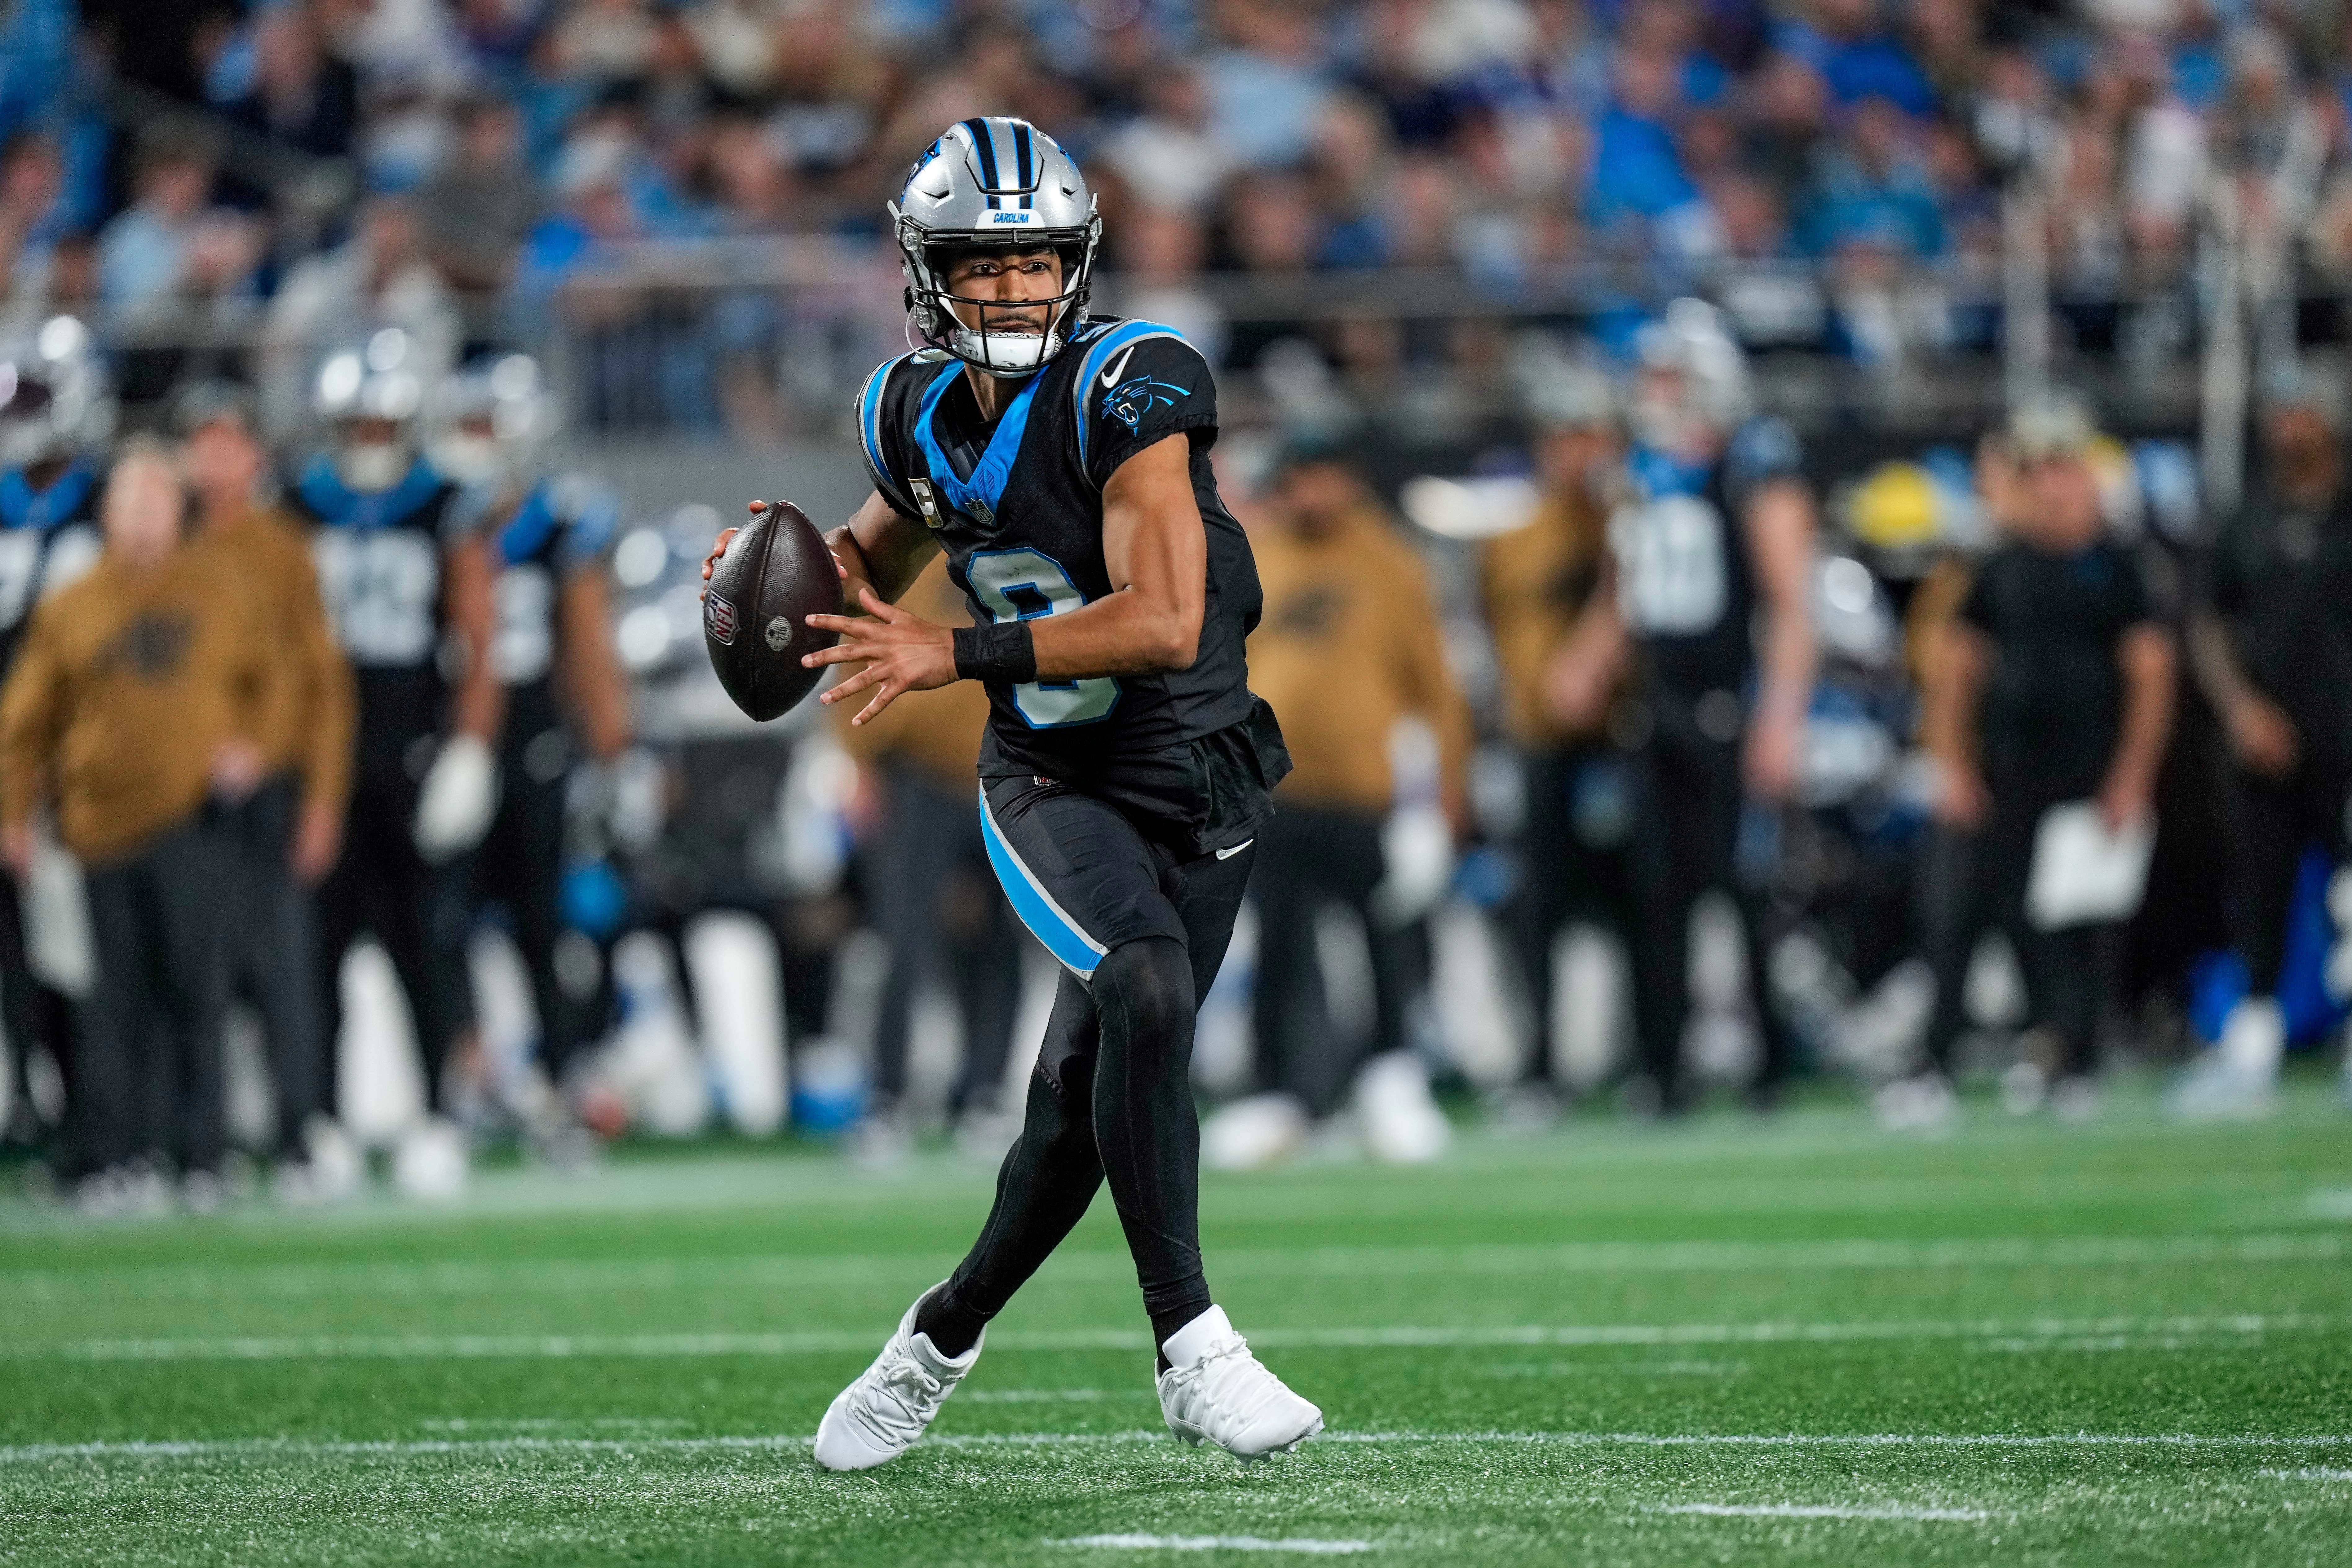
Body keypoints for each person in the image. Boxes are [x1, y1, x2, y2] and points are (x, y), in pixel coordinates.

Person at [700, 117, 1319, 1469]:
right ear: (930, 272)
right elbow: (856, 586)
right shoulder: (910, 411)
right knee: (1144, 987)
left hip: (1200, 770)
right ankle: (1193, 1346)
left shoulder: (1133, 386)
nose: (1012, 289)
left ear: (1077, 263)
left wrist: (950, 647)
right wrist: (769, 579)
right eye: (983, 263)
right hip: (1051, 775)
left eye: (1036, 260)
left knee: (1072, 1115)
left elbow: (1161, 618)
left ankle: (938, 1332)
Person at [0, 441, 277, 1208]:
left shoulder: (220, 592)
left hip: (192, 820)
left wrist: (252, 747)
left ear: (177, 510)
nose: (143, 515)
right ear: (108, 513)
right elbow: (23, 721)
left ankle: (201, 1155)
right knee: (108, 1006)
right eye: (130, 501)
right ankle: (117, 1156)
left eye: (156, 500)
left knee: (196, 991)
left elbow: (274, 686)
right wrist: (14, 812)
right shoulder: (71, 602)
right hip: (94, 826)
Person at [1560, 301, 1819, 1113]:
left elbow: (1790, 601)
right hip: (1652, 706)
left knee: (1741, 891)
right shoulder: (1638, 472)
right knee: (1656, 891)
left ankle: (1770, 1060)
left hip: (1725, 703)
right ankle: (1663, 1065)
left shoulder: (1752, 463)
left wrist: (1779, 715)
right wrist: (1582, 661)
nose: (1651, 390)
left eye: (1667, 374)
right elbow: (1621, 593)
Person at [1914, 394, 2175, 1118]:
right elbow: (1956, 667)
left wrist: (2131, 774)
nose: (2049, 486)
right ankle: (1941, 1056)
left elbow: (2149, 673)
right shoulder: (2001, 567)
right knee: (1972, 910)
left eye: (2060, 468)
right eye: (2037, 470)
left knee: (2077, 922)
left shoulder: (2116, 566)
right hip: (2007, 766)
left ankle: (2075, 1056)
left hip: (2087, 768)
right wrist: (1953, 763)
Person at [285, 334, 502, 1195]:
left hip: (411, 744)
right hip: (324, 752)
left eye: (383, 421)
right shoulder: (299, 504)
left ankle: (438, 1114)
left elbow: (477, 636)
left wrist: (470, 747)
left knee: (425, 941)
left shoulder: (442, 503)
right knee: (320, 946)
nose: (371, 436)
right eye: (358, 422)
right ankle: (322, 1119)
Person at [1240, 435, 1468, 1126]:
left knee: (1386, 942)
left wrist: (1446, 792)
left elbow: (1433, 683)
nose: (1314, 491)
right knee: (1276, 945)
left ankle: (1392, 1075)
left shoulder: (1389, 563)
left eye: (1326, 475)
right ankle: (1277, 1091)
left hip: (1366, 789)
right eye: (1303, 476)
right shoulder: (1257, 554)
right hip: (1273, 789)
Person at [433, 354, 630, 1145]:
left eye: (481, 424)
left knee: (542, 924)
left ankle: (558, 1080)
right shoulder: (445, 516)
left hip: (537, 738)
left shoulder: (559, 520)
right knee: (446, 918)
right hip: (454, 740)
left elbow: (587, 646)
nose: (468, 440)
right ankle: (468, 1073)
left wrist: (613, 749)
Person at [171, 379, 357, 1197]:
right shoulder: (160, 545)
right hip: (177, 791)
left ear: (251, 454)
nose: (214, 460)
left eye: (227, 442)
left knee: (284, 967)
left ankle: (296, 1136)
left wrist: (320, 797)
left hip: (269, 784)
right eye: (200, 443)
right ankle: (198, 1145)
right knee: (189, 970)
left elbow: (318, 681)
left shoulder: (284, 548)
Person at [2174, 370, 2352, 1117]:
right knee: (2259, 890)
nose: (2291, 427)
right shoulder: (2243, 521)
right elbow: (2208, 626)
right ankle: (2251, 1045)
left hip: (2344, 735)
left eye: (2303, 412)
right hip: (2261, 741)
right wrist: (2244, 712)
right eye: (2281, 412)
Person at [833, 558, 1028, 1164]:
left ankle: (985, 1093)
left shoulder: (1019, 546)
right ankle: (887, 1097)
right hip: (913, 773)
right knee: (904, 938)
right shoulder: (902, 550)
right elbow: (855, 643)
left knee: (998, 938)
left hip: (1007, 764)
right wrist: (857, 759)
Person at [1481, 365, 1634, 1117]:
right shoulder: (1514, 537)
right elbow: (1495, 629)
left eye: (1589, 436)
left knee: (1636, 905)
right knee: (1533, 914)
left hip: (1614, 743)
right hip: (1538, 744)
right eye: (1565, 436)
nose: (1576, 452)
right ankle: (1539, 1063)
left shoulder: (1624, 524)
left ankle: (1644, 1057)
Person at [0, 314, 106, 1150]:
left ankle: (94, 1105)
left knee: (80, 947)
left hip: (86, 767)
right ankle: (33, 1095)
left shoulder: (115, 505)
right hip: (9, 760)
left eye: (32, 397)